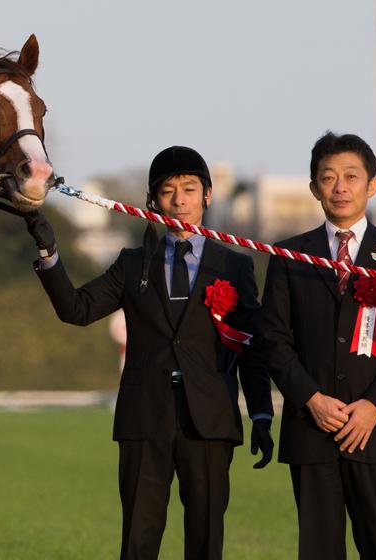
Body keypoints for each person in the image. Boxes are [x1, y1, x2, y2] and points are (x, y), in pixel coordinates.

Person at [29, 146, 273, 560]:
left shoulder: (235, 267)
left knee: (206, 539)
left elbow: (251, 348)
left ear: (208, 195)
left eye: (190, 189)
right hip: (144, 420)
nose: (179, 200)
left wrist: (262, 415)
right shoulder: (132, 263)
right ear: (152, 202)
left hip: (209, 421)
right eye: (167, 191)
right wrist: (49, 256)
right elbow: (76, 310)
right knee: (139, 543)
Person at [260, 132, 376, 560]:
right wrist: (310, 399)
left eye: (352, 176)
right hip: (312, 430)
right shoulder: (289, 255)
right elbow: (273, 340)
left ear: (372, 184)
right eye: (328, 177)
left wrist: (374, 407)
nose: (340, 187)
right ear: (313, 187)